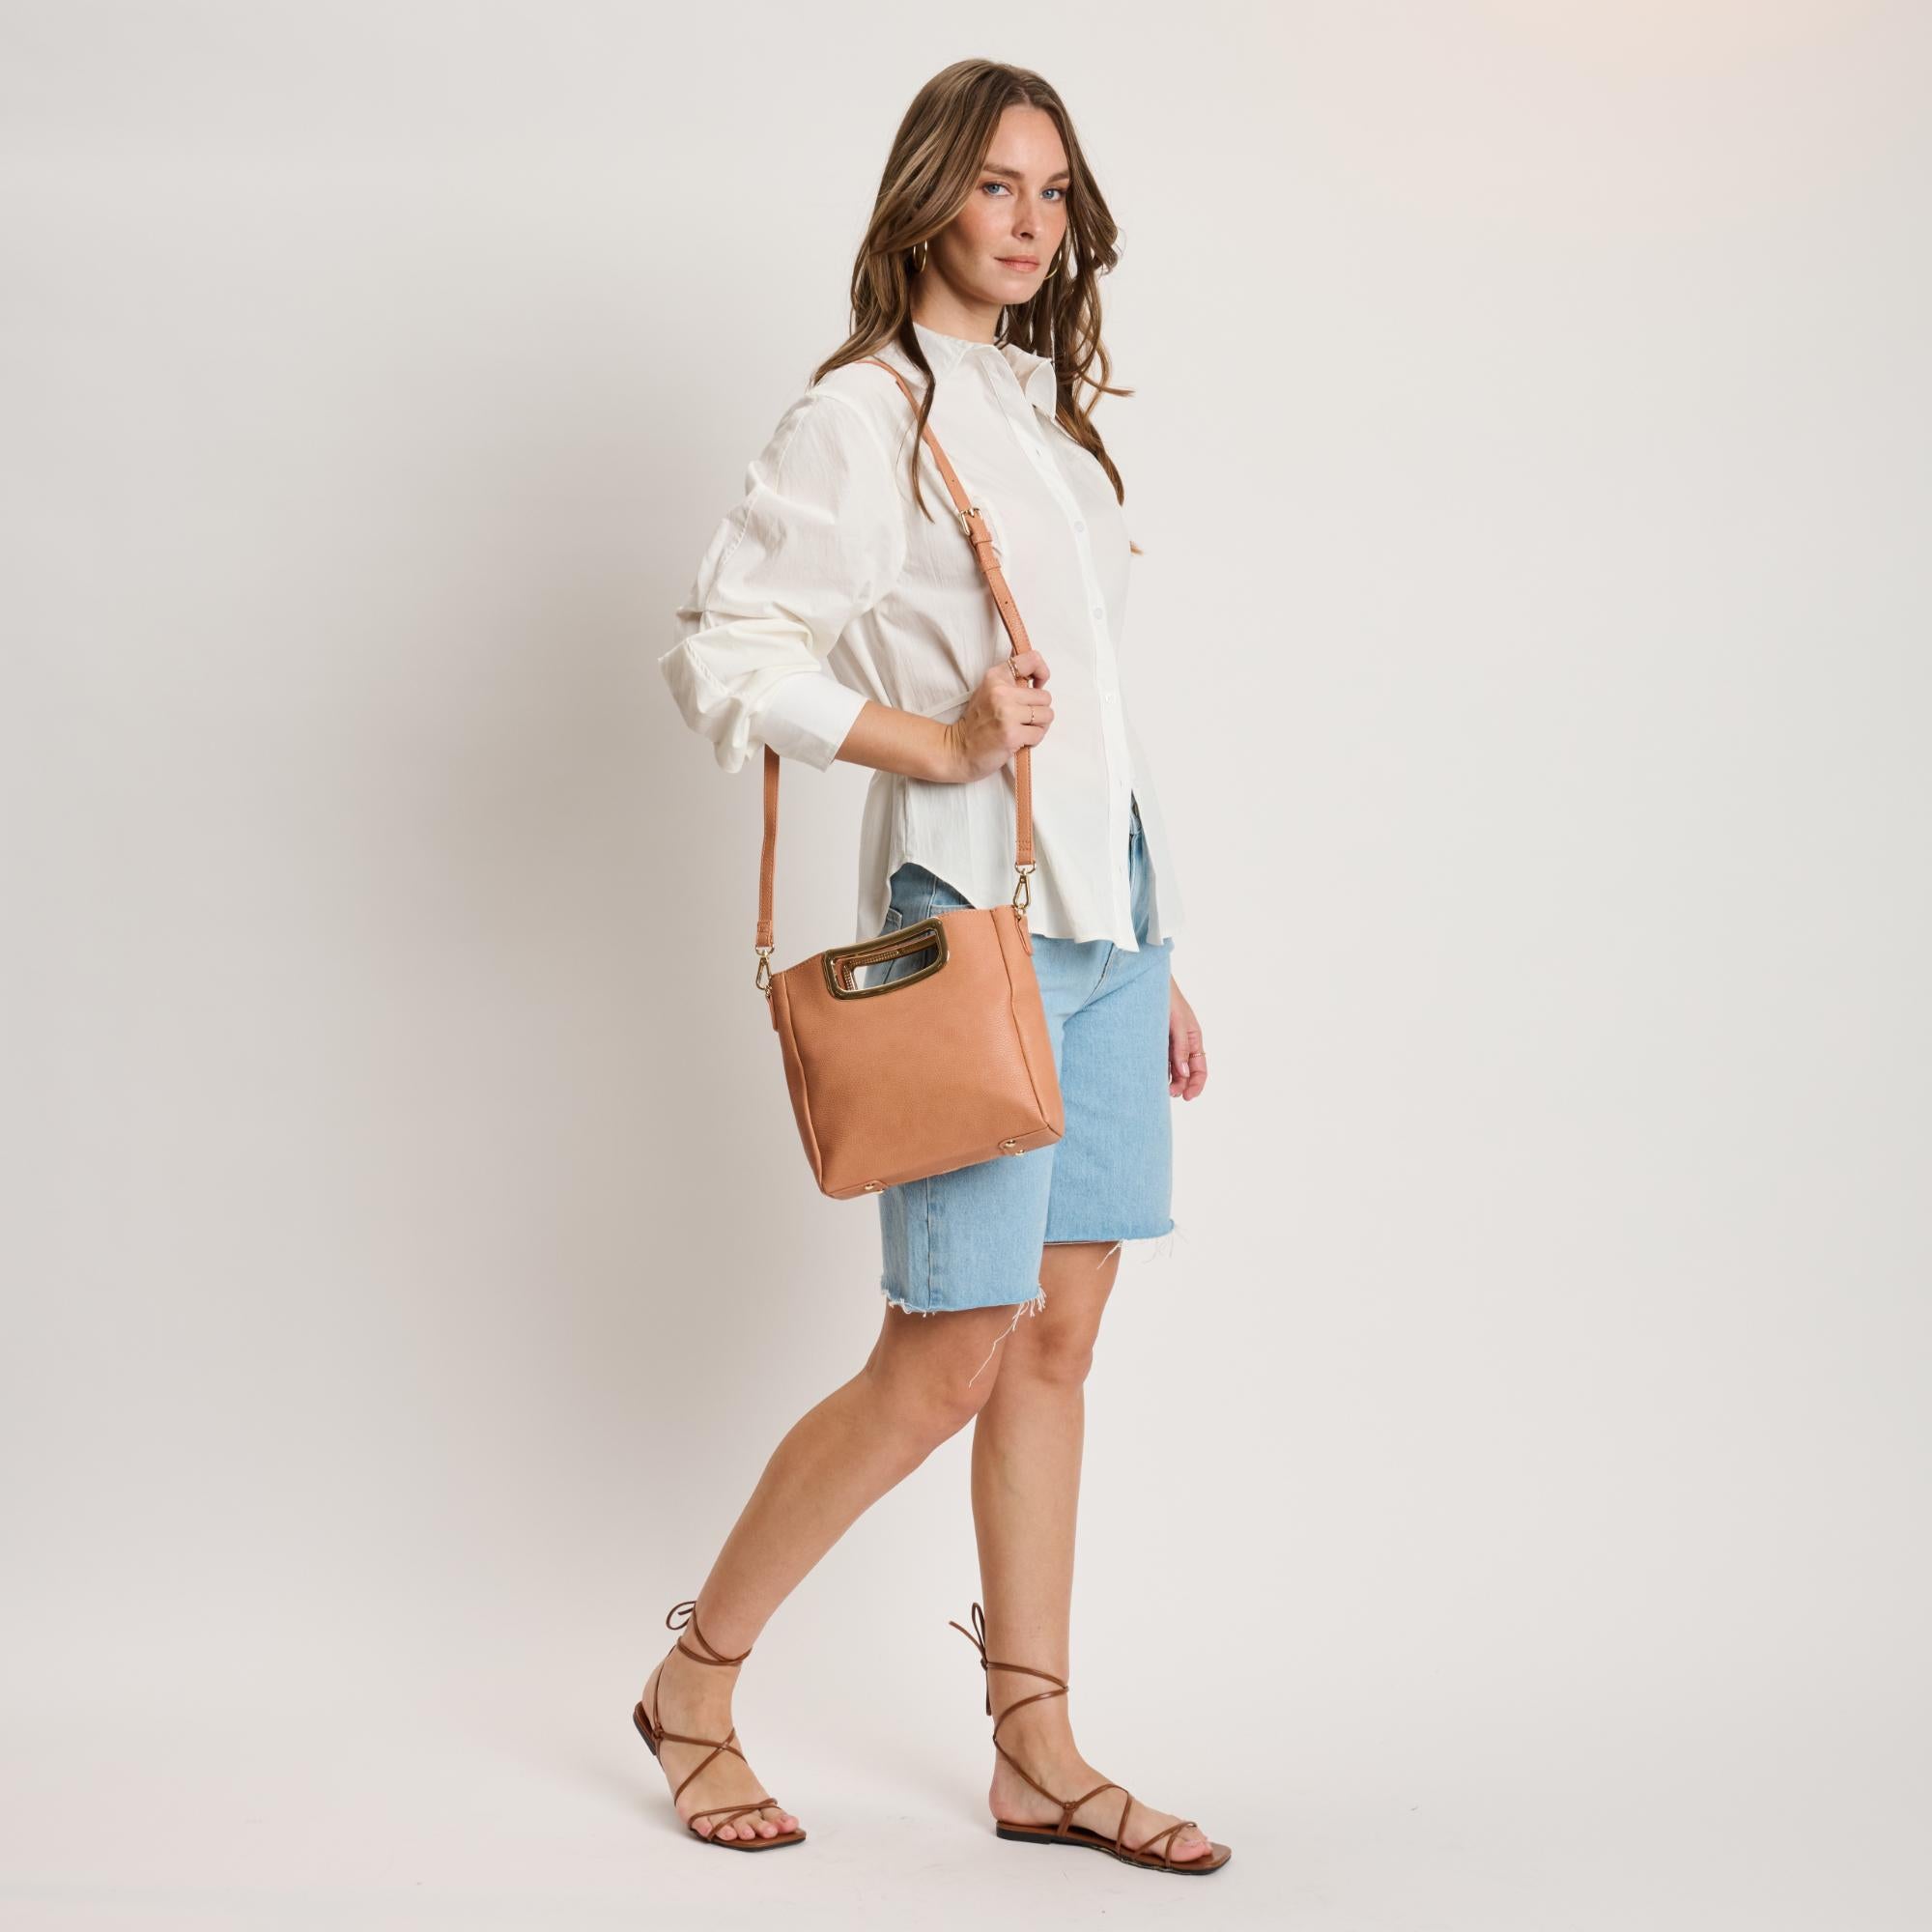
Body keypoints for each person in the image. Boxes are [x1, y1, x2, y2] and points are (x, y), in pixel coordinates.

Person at [648, 60, 1225, 1875]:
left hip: (1108, 931)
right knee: (948, 1352)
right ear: (926, 200)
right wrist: (942, 744)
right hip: (974, 932)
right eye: (996, 185)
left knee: (1060, 1338)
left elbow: (1099, 712)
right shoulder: (864, 418)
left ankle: (1036, 1751)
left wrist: (1153, 943)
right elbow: (726, 653)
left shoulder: (1045, 420)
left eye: (1053, 191)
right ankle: (692, 1685)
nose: (1030, 220)